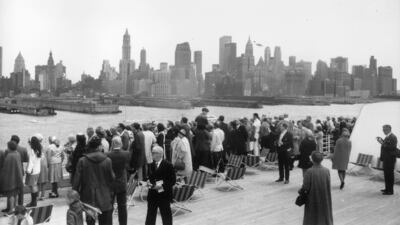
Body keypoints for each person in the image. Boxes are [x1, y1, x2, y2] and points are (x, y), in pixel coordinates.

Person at [73, 136, 115, 225]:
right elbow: (112, 178)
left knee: (90, 221)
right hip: (104, 195)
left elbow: (76, 182)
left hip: (88, 195)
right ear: (99, 147)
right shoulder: (107, 160)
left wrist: (75, 197)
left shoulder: (82, 161)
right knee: (105, 221)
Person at [145, 146, 176, 225]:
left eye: (153, 153)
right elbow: (150, 177)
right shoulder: (151, 165)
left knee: (166, 216)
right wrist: (148, 182)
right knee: (150, 216)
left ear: (159, 154)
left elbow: (172, 181)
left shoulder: (168, 165)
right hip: (152, 194)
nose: (152, 154)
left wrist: (161, 186)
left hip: (164, 195)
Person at [300, 151, 333, 225]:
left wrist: (300, 191)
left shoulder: (309, 172)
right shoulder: (326, 171)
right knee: (324, 213)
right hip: (325, 197)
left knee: (312, 215)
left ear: (312, 159)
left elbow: (305, 187)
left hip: (313, 197)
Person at [106, 137, 130, 225]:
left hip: (111, 184)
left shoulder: (107, 154)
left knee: (109, 207)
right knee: (122, 207)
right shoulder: (126, 154)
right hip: (122, 183)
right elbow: (128, 167)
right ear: (121, 144)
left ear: (112, 144)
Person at [0, 141, 24, 214]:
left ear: (9, 147)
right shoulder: (17, 154)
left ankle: (11, 209)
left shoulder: (9, 156)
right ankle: (14, 207)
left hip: (11, 178)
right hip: (17, 177)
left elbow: (5, 168)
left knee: (10, 194)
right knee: (15, 193)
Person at [377, 124, 398, 195]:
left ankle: (390, 191)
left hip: (390, 159)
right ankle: (387, 188)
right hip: (386, 158)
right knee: (386, 174)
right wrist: (382, 141)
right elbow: (386, 146)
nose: (383, 131)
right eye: (383, 129)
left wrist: (382, 143)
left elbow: (391, 148)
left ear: (389, 129)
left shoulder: (393, 137)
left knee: (389, 175)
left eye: (384, 129)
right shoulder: (387, 137)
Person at [10, 135, 29, 206]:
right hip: (20, 170)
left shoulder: (9, 149)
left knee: (11, 189)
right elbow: (26, 160)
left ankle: (11, 206)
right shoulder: (23, 149)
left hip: (11, 171)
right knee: (21, 189)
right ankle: (20, 204)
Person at [25, 136, 42, 207]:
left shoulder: (32, 151)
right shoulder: (39, 149)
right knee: (35, 185)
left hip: (33, 171)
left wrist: (28, 170)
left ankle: (33, 202)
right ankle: (34, 201)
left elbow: (31, 162)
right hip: (37, 170)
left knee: (32, 186)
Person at [36, 134, 48, 201]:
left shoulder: (35, 147)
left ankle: (37, 195)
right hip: (44, 162)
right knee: (43, 181)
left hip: (39, 163)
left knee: (38, 181)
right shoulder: (44, 146)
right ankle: (42, 195)